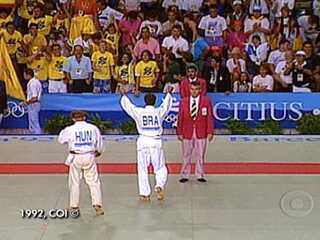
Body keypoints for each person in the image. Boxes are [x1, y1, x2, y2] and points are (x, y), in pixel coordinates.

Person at [120, 88, 173, 201]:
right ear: (154, 102)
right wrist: (168, 94)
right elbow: (166, 105)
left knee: (142, 168)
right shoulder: (159, 111)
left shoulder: (139, 112)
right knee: (159, 167)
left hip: (143, 141)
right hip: (155, 142)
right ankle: (159, 185)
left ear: (145, 101)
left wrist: (124, 96)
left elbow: (129, 107)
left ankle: (145, 194)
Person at [58, 111, 104, 216]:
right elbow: (100, 143)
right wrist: (99, 151)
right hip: (89, 155)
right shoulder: (93, 128)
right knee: (93, 181)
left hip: (76, 156)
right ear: (84, 117)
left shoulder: (69, 129)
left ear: (73, 119)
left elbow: (61, 140)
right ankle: (97, 205)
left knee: (74, 182)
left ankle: (74, 206)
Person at [177, 81, 214, 183]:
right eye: (192, 89)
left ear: (200, 90)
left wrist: (210, 131)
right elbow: (180, 118)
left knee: (200, 154)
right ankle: (184, 174)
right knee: (186, 154)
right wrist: (179, 132)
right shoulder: (184, 101)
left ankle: (200, 174)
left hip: (201, 131)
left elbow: (209, 117)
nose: (194, 91)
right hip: (187, 131)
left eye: (196, 89)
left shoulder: (206, 101)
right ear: (189, 89)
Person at [22, 68, 42, 134]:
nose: (23, 76)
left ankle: (37, 135)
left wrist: (26, 102)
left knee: (34, 121)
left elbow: (35, 97)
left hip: (33, 104)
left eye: (24, 74)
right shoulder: (36, 81)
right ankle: (33, 135)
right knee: (32, 122)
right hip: (34, 104)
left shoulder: (33, 83)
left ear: (28, 75)